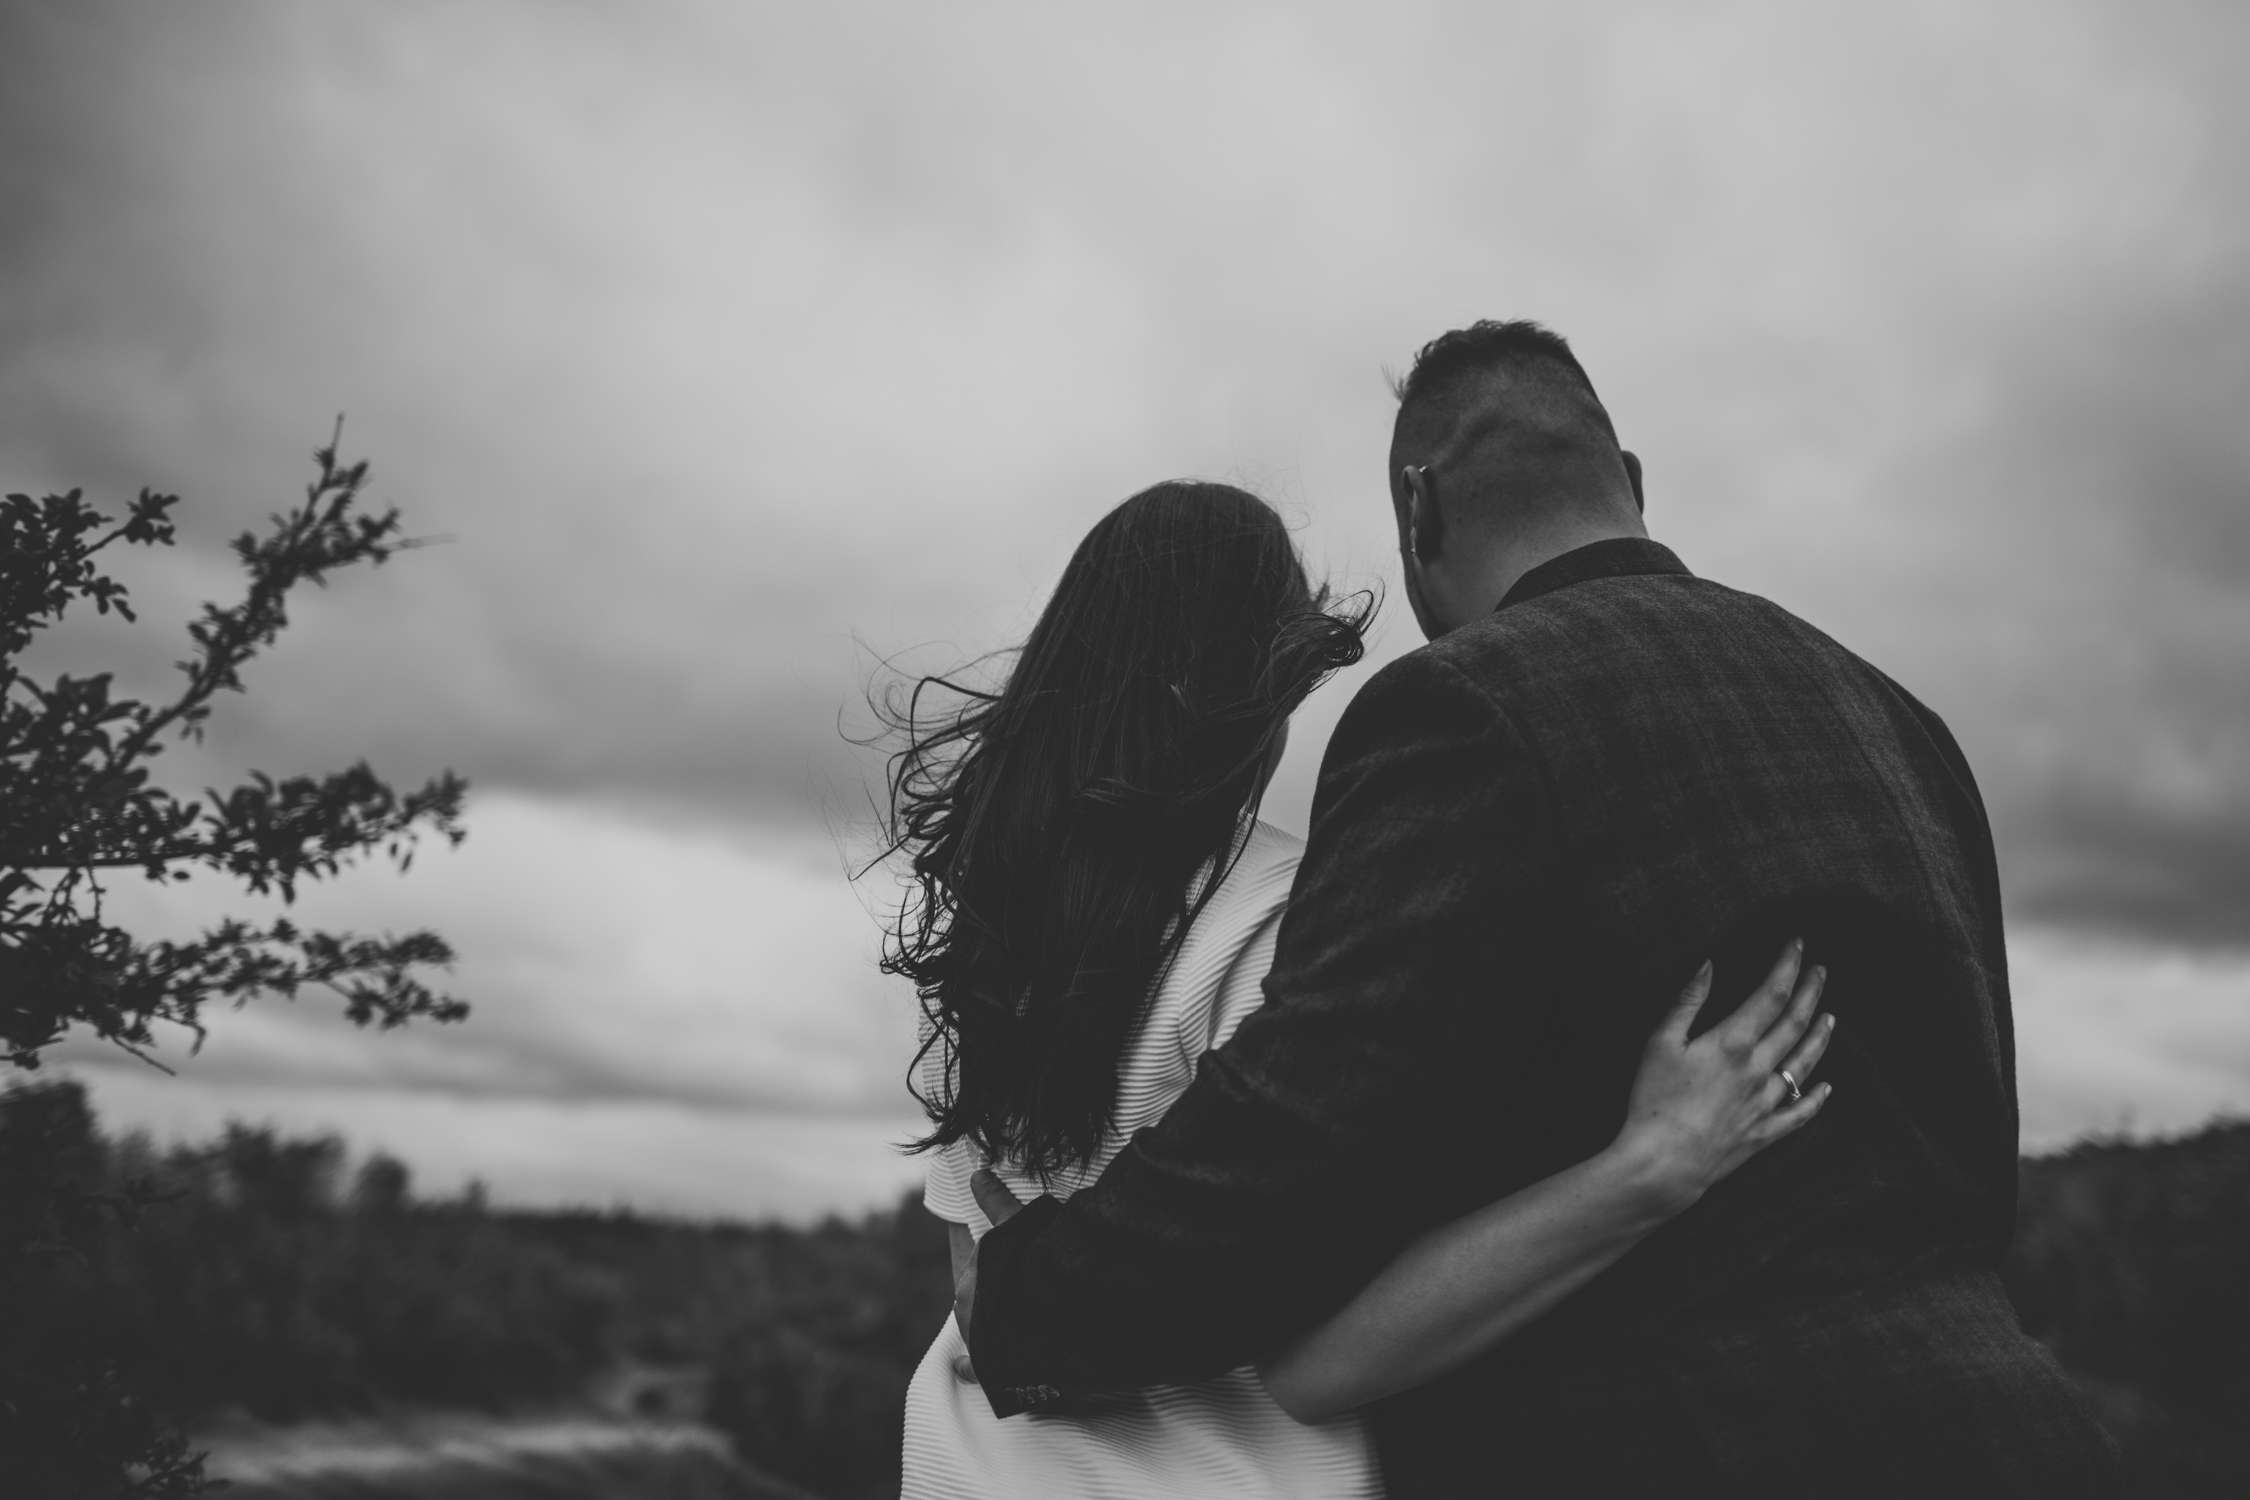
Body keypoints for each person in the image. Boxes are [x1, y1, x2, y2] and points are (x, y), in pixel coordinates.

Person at [961, 324, 2125, 1497]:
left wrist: (1026, 1306)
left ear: (1420, 511)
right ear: (1632, 479)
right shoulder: (1905, 723)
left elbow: (1291, 1156)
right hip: (2016, 1433)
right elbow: (1977, 1153)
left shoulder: (1466, 707)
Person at [885, 481, 1832, 1499]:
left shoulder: (989, 930)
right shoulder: (1304, 918)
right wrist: (1650, 1167)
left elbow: (982, 1298)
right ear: (1269, 683)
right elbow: (1327, 1361)